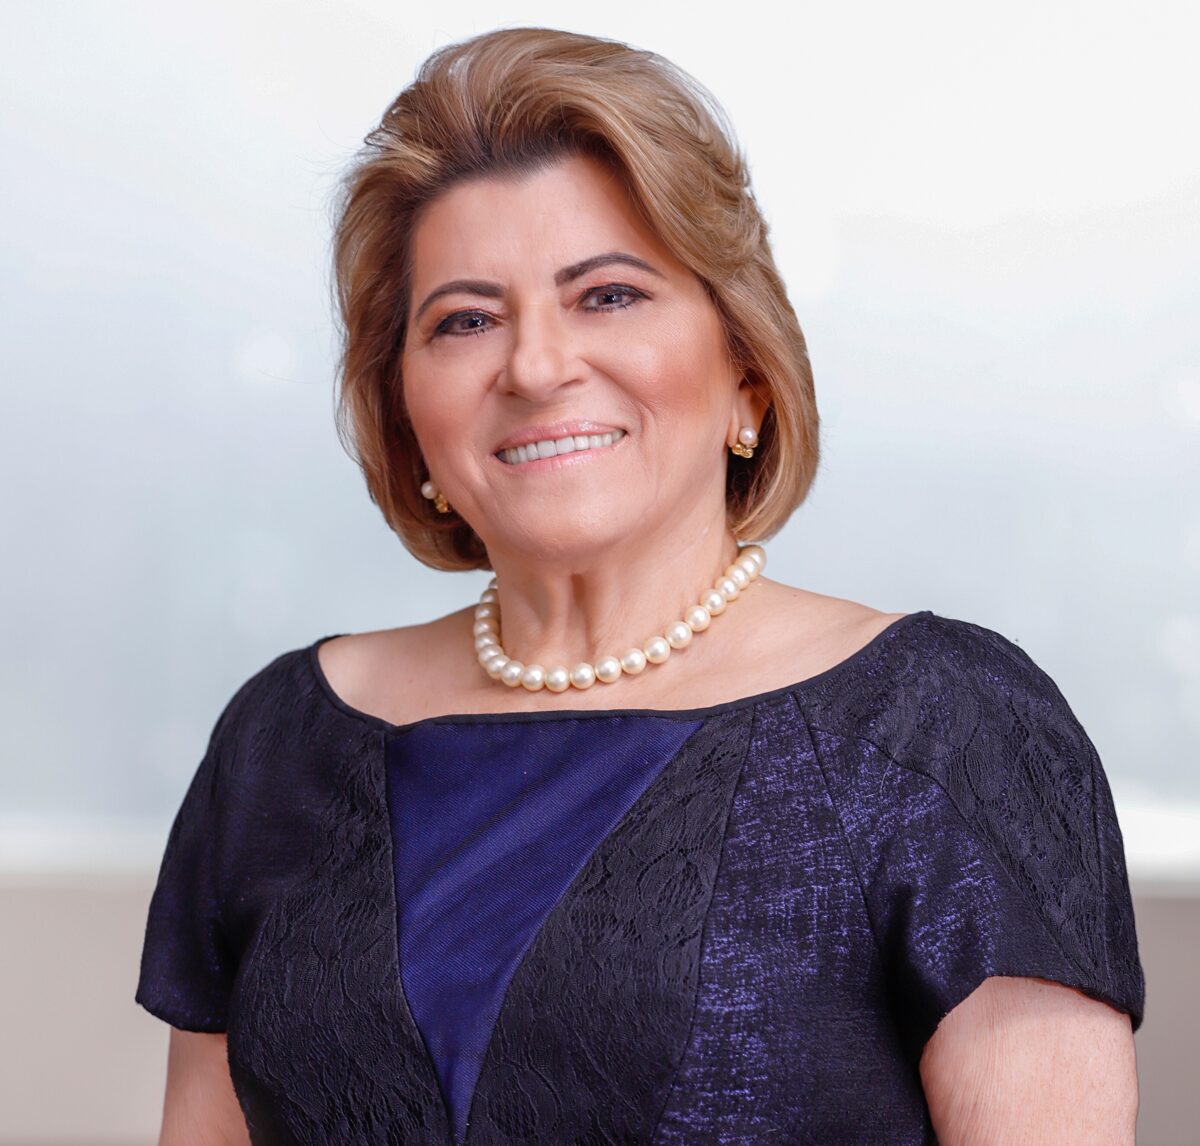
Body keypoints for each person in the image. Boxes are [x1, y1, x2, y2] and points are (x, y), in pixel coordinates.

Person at [135, 26, 1145, 1146]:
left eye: (608, 295)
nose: (535, 367)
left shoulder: (946, 729)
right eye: (465, 321)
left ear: (747, 371)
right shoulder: (283, 741)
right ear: (405, 412)